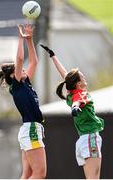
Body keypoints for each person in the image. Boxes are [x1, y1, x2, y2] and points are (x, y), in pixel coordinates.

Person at [0, 25, 46, 179]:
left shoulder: (25, 83)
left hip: (30, 130)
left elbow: (34, 62)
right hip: (31, 130)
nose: (24, 70)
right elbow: (20, 59)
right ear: (15, 75)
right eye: (21, 70)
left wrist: (29, 39)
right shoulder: (17, 85)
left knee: (27, 174)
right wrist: (20, 38)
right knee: (39, 174)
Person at [40, 44, 104, 179]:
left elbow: (65, 75)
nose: (84, 77)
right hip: (90, 138)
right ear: (78, 84)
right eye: (82, 76)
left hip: (83, 140)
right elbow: (78, 101)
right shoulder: (81, 94)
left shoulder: (71, 94)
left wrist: (53, 56)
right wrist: (75, 107)